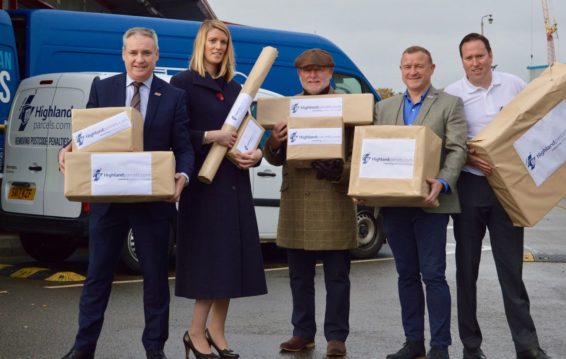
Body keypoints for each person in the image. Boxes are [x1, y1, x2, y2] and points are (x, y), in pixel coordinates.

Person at [58, 27, 194, 359]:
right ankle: (83, 348)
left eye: (146, 53)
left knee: (156, 281)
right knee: (97, 278)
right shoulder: (103, 88)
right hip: (108, 200)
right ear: (123, 54)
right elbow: (85, 136)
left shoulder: (173, 95)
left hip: (153, 203)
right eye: (133, 52)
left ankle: (154, 350)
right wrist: (68, 147)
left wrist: (184, 177)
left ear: (156, 56)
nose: (139, 59)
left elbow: (185, 148)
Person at [444, 33, 551, 359]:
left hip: (508, 188)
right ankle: (471, 347)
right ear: (462, 61)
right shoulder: (453, 94)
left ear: (491, 55)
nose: (475, 63)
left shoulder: (514, 84)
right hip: (470, 186)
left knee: (511, 271)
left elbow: (533, 124)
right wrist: (467, 155)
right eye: (468, 58)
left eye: (480, 56)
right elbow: (447, 141)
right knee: (466, 272)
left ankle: (527, 346)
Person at [170, 20, 267, 359]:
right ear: (202, 44)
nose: (218, 47)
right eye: (213, 41)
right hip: (203, 186)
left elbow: (249, 133)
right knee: (210, 262)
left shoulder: (236, 89)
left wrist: (254, 155)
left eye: (224, 43)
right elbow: (177, 134)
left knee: (230, 261)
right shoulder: (182, 84)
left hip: (235, 183)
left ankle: (217, 331)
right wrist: (211, 136)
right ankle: (195, 331)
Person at [374, 46, 467, 359]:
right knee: (406, 276)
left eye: (419, 66)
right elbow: (373, 151)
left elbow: (457, 149)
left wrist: (442, 182)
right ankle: (413, 343)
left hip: (431, 204)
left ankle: (439, 346)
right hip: (394, 205)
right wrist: (367, 185)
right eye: (407, 66)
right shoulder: (383, 108)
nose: (413, 72)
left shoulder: (450, 104)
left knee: (434, 276)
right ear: (400, 70)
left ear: (432, 69)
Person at [264, 48, 357, 358]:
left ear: (331, 74)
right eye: (307, 71)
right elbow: (273, 158)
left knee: (337, 277)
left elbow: (360, 158)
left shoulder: (350, 109)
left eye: (319, 70)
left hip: (333, 198)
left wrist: (340, 171)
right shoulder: (286, 108)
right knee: (299, 275)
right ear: (300, 75)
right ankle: (302, 332)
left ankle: (336, 336)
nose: (313, 75)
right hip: (296, 203)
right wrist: (274, 143)